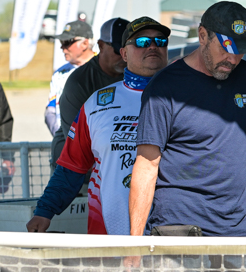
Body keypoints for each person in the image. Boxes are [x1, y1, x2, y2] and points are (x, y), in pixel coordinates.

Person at [128, 2, 246, 272]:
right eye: (226, 48)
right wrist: (135, 243)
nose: (233, 59)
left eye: (240, 51)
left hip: (235, 225)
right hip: (179, 228)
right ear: (202, 36)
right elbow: (147, 165)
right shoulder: (165, 87)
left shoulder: (244, 75)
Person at [26, 17, 168, 234]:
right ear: (124, 54)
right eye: (141, 42)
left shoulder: (186, 100)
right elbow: (72, 165)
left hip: (168, 232)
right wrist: (44, 211)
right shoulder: (97, 103)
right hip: (107, 231)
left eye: (160, 41)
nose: (152, 46)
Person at [50, 17, 127, 165]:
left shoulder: (137, 75)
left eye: (128, 50)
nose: (124, 56)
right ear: (101, 45)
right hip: (77, 168)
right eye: (118, 50)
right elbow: (77, 143)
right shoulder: (79, 81)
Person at [46, 20, 96, 137]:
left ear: (85, 43)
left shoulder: (103, 69)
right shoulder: (59, 73)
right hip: (64, 140)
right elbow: (50, 110)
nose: (62, 47)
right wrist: (62, 137)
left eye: (67, 42)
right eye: (61, 42)